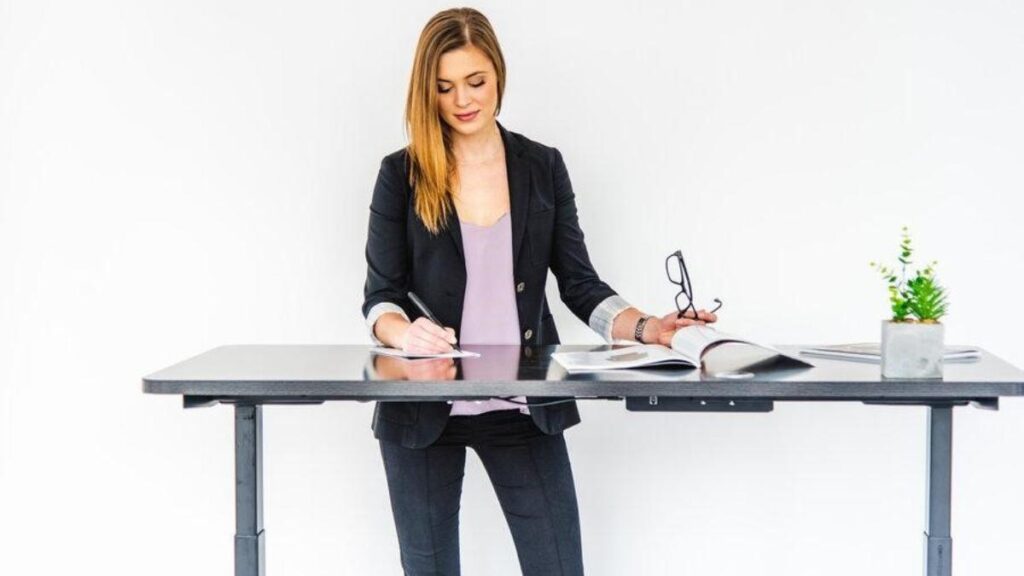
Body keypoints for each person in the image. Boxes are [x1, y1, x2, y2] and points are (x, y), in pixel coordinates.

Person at [362, 8, 717, 575]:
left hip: (523, 405)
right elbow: (379, 299)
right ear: (425, 91)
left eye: (475, 82)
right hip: (422, 411)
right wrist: (406, 331)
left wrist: (651, 327)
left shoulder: (541, 167)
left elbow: (580, 285)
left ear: (498, 74)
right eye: (445, 87)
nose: (462, 100)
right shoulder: (400, 174)